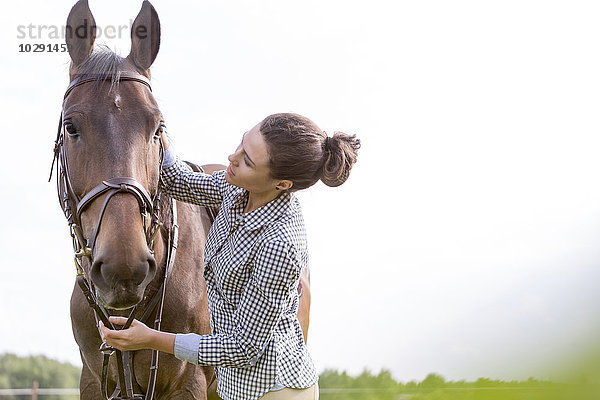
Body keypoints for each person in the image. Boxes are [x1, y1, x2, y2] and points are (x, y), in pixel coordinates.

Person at [99, 113, 360, 400]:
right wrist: (152, 124)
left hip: (275, 392)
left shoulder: (279, 244)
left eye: (248, 160)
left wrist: (150, 338)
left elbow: (242, 348)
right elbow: (179, 181)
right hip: (235, 389)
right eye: (241, 142)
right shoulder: (237, 189)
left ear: (282, 184)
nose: (232, 158)